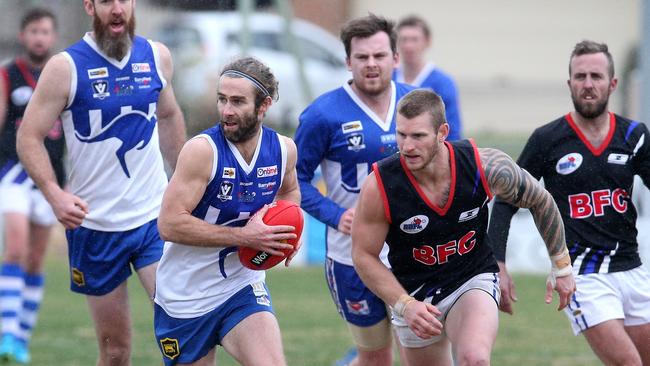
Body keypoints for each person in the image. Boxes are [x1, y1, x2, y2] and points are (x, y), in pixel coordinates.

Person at [15, 0, 186, 364]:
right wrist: (54, 195)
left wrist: (186, 184)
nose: (117, 9)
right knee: (115, 351)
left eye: (123, 0)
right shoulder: (66, 67)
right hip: (95, 225)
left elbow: (169, 115)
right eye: (106, 1)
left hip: (153, 218)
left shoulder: (156, 56)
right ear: (90, 6)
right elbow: (28, 136)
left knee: (185, 323)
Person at [351, 89, 576, 366]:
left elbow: (541, 201)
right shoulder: (380, 185)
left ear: (442, 132)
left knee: (474, 359)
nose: (407, 146)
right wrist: (404, 305)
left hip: (470, 278)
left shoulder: (484, 166)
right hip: (413, 292)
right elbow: (363, 255)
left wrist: (562, 267)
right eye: (401, 135)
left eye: (418, 136)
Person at [489, 40, 650, 366]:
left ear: (612, 83)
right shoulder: (548, 140)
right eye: (580, 77)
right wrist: (499, 264)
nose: (588, 84)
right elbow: (506, 202)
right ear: (569, 84)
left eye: (596, 76)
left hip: (633, 270)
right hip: (582, 275)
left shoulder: (634, 135)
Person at [153, 56, 300, 365]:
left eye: (237, 101)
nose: (227, 111)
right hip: (186, 297)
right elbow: (168, 224)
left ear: (264, 105)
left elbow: (289, 192)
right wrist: (245, 236)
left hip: (240, 286)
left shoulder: (283, 150)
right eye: (222, 99)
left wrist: (287, 233)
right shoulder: (202, 151)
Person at [294, 13, 413, 366]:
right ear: (348, 61)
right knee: (376, 357)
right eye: (362, 57)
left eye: (379, 55)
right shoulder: (322, 115)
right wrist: (336, 215)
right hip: (352, 258)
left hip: (414, 251)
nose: (371, 64)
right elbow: (294, 181)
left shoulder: (417, 105)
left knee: (423, 352)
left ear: (395, 57)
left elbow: (445, 168)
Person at [0, 8, 61, 364]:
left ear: (52, 38)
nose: (40, 37)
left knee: (36, 260)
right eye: (34, 30)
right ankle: (7, 332)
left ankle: (20, 339)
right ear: (24, 36)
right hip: (13, 171)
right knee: (16, 248)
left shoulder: (62, 74)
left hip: (50, 178)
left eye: (45, 31)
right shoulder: (9, 75)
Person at [393, 15, 462, 141]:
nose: (408, 46)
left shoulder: (443, 83)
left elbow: (453, 131)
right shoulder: (388, 78)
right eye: (404, 39)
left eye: (414, 39)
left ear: (427, 41)